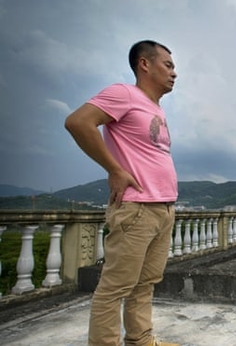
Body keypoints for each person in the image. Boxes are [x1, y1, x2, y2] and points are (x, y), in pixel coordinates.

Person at [65, 40, 180, 346]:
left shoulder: (155, 108)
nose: (174, 73)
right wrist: (115, 170)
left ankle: (141, 340)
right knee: (115, 287)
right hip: (137, 208)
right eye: (168, 65)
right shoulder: (123, 93)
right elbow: (78, 122)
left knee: (145, 284)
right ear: (145, 64)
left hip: (163, 208)